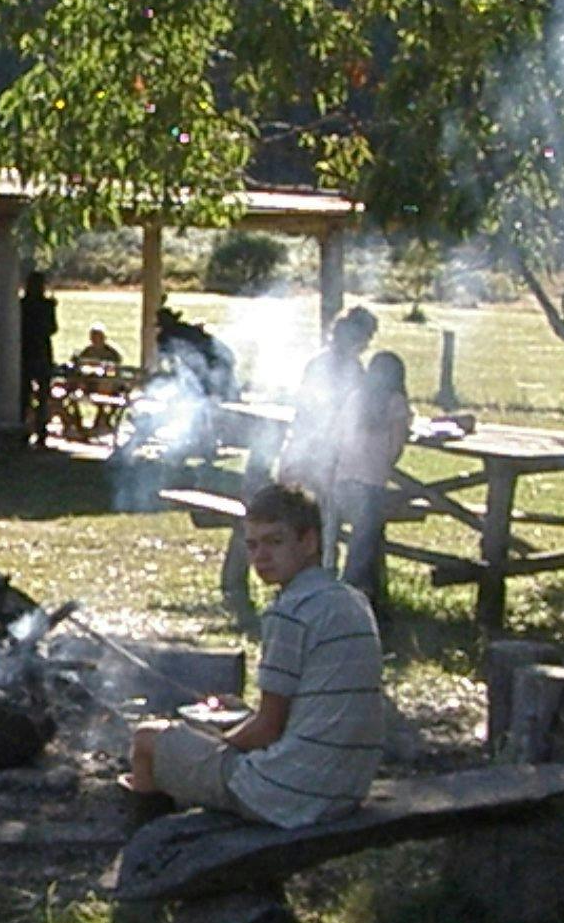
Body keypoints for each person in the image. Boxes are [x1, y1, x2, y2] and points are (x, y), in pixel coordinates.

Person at [125, 481, 383, 827]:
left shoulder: (291, 611)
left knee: (146, 741)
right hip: (346, 788)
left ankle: (146, 858)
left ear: (309, 542)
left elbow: (268, 729)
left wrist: (216, 741)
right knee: (202, 743)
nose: (261, 556)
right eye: (252, 545)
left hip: (289, 794)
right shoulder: (352, 601)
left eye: (275, 542)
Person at [274, 305, 379, 548]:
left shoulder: (323, 362)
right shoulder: (345, 367)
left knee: (312, 515)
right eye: (367, 338)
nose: (367, 344)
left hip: (308, 447)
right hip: (321, 452)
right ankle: (323, 565)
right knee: (323, 515)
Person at [334, 350, 413, 603]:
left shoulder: (355, 397)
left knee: (364, 540)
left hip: (343, 481)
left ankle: (369, 593)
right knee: (362, 547)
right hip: (372, 486)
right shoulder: (395, 403)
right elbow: (395, 447)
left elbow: (339, 436)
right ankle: (352, 595)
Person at [19, 271, 58, 448]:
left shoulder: (22, 305)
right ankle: (41, 431)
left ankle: (23, 429)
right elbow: (52, 329)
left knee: (24, 395)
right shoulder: (47, 305)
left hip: (26, 351)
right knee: (43, 395)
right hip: (42, 352)